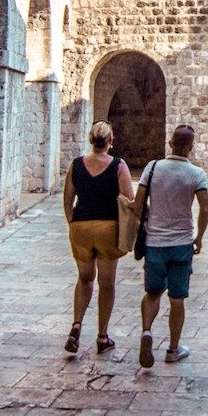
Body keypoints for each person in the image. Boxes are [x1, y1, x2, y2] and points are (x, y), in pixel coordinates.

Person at [138, 124, 208, 367]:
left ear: (170, 143)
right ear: (191, 147)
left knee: (152, 292)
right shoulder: (196, 174)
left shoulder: (152, 168)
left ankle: (147, 331)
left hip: (155, 241)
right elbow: (205, 208)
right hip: (181, 242)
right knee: (177, 297)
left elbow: (139, 203)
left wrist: (148, 217)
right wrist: (199, 237)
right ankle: (173, 348)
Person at [61, 121, 135, 356]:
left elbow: (67, 201)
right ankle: (102, 336)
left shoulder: (76, 165)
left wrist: (73, 225)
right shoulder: (118, 165)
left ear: (90, 139)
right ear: (110, 140)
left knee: (84, 279)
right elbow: (129, 200)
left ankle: (76, 324)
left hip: (81, 227)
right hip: (107, 228)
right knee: (106, 283)